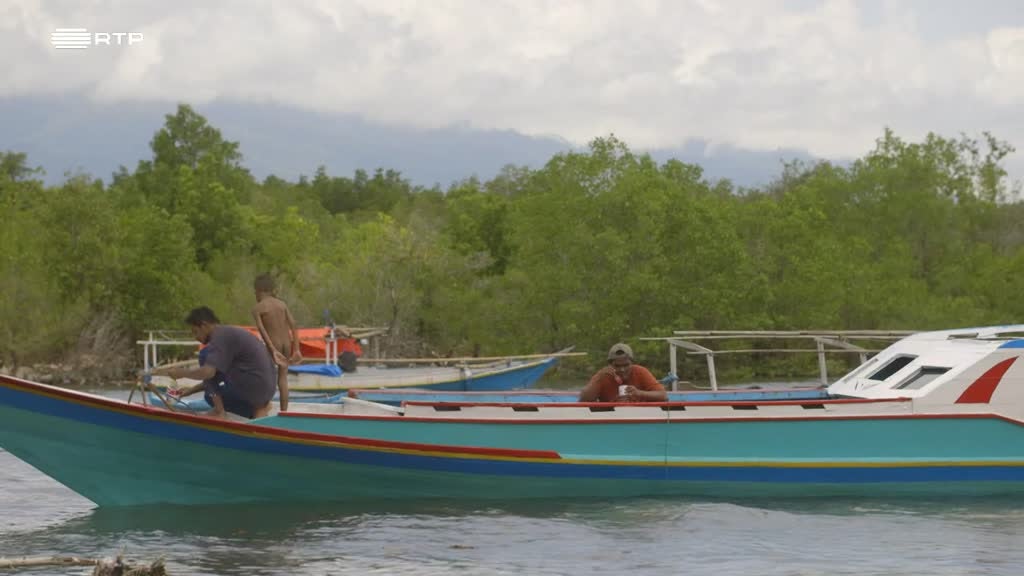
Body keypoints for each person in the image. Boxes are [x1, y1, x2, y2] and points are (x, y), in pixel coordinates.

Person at [153, 306, 277, 419]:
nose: (195, 337)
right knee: (211, 368)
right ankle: (260, 408)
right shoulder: (227, 334)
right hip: (265, 390)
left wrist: (181, 373)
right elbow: (215, 376)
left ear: (204, 325)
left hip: (255, 390)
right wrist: (189, 391)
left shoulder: (219, 338)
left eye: (195, 332)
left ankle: (219, 411)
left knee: (204, 359)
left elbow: (208, 372)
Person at [251, 273, 301, 411]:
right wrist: (296, 349)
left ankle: (262, 408)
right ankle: (284, 411)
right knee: (283, 378)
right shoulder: (282, 304)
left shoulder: (258, 308)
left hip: (274, 344)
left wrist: (272, 349)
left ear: (258, 290)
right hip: (287, 344)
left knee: (264, 376)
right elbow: (294, 325)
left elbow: (262, 330)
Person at [578, 343, 668, 403]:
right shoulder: (603, 375)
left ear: (632, 363)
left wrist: (639, 393)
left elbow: (663, 396)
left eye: (626, 365)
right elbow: (582, 400)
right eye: (617, 366)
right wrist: (598, 380)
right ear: (610, 365)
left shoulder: (640, 372)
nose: (622, 369)